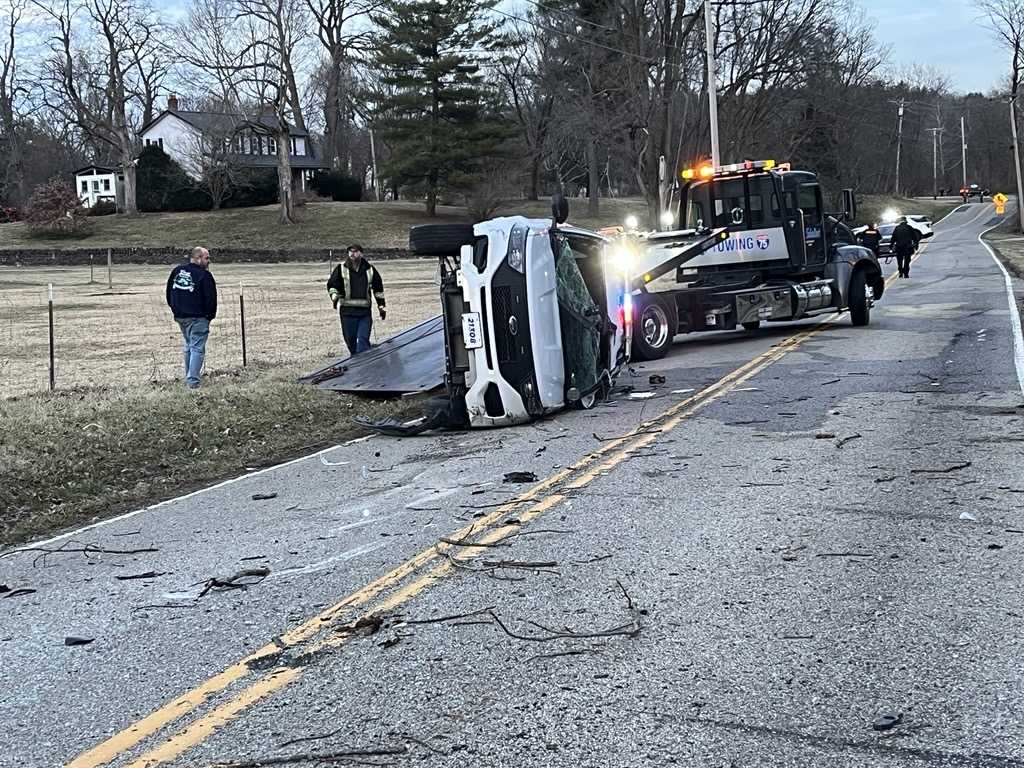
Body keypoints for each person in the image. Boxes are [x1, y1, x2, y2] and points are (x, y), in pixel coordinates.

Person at [166, 246, 217, 389]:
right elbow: (210, 299)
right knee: (197, 348)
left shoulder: (177, 272)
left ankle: (189, 377)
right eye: (207, 258)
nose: (209, 261)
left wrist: (176, 310)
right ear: (198, 258)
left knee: (189, 346)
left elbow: (169, 294)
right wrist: (209, 316)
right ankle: (193, 382)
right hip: (198, 317)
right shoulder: (204, 276)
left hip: (181, 317)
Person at [327, 244, 386, 354]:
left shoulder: (370, 270)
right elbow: (332, 285)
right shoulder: (341, 269)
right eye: (350, 251)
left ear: (361, 253)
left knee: (362, 343)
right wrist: (334, 296)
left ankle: (365, 368)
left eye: (355, 251)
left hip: (364, 313)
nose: (352, 253)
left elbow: (378, 289)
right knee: (351, 343)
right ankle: (357, 366)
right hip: (347, 313)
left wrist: (381, 306)